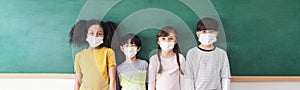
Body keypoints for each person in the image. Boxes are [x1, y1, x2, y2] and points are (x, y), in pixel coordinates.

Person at [185, 17, 231, 90]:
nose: (208, 34)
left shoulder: (221, 54)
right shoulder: (192, 53)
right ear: (198, 34)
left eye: (211, 31)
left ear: (216, 33)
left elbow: (225, 77)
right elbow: (189, 77)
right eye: (204, 31)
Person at [70, 20, 117, 90]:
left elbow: (112, 79)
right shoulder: (79, 56)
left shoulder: (108, 52)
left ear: (104, 36)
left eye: (99, 34)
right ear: (86, 35)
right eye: (91, 33)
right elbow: (78, 82)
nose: (95, 36)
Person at [148, 26, 185, 90]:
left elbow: (183, 81)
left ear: (175, 41)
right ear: (158, 42)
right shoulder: (154, 59)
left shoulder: (180, 58)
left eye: (170, 39)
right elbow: (151, 82)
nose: (167, 42)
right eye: (163, 39)